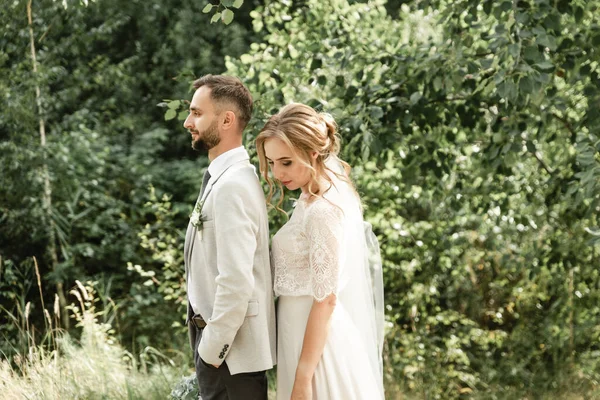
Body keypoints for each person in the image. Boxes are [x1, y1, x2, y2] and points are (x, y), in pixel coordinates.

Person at [255, 103, 385, 400]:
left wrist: (303, 377)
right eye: (272, 162)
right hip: (296, 333)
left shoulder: (324, 210)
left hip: (317, 349)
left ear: (312, 153)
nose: (276, 173)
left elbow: (326, 299)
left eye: (285, 162)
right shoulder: (308, 199)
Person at [182, 74, 276, 400]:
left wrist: (211, 351)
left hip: (231, 359)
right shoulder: (224, 179)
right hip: (223, 357)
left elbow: (236, 280)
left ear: (226, 119)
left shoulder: (233, 185)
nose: (187, 122)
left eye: (196, 113)